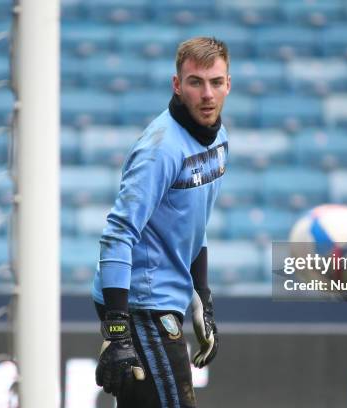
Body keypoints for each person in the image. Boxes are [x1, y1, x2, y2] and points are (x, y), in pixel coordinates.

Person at [92, 37, 231, 408]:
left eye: (216, 82)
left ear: (228, 85)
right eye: (195, 82)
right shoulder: (160, 150)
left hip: (164, 299)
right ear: (177, 85)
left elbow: (193, 225)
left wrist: (201, 293)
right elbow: (117, 235)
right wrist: (118, 332)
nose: (207, 94)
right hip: (140, 305)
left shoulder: (219, 142)